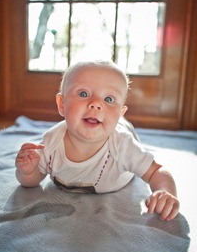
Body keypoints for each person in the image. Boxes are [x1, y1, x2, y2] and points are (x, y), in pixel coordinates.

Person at [15, 60, 180, 221]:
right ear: (62, 104)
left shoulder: (123, 145)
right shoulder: (51, 140)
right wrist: (27, 171)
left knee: (125, 133)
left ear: (120, 112)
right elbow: (33, 180)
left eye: (108, 99)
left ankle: (122, 122)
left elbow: (156, 171)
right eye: (83, 94)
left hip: (120, 130)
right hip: (106, 122)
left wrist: (165, 192)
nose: (95, 104)